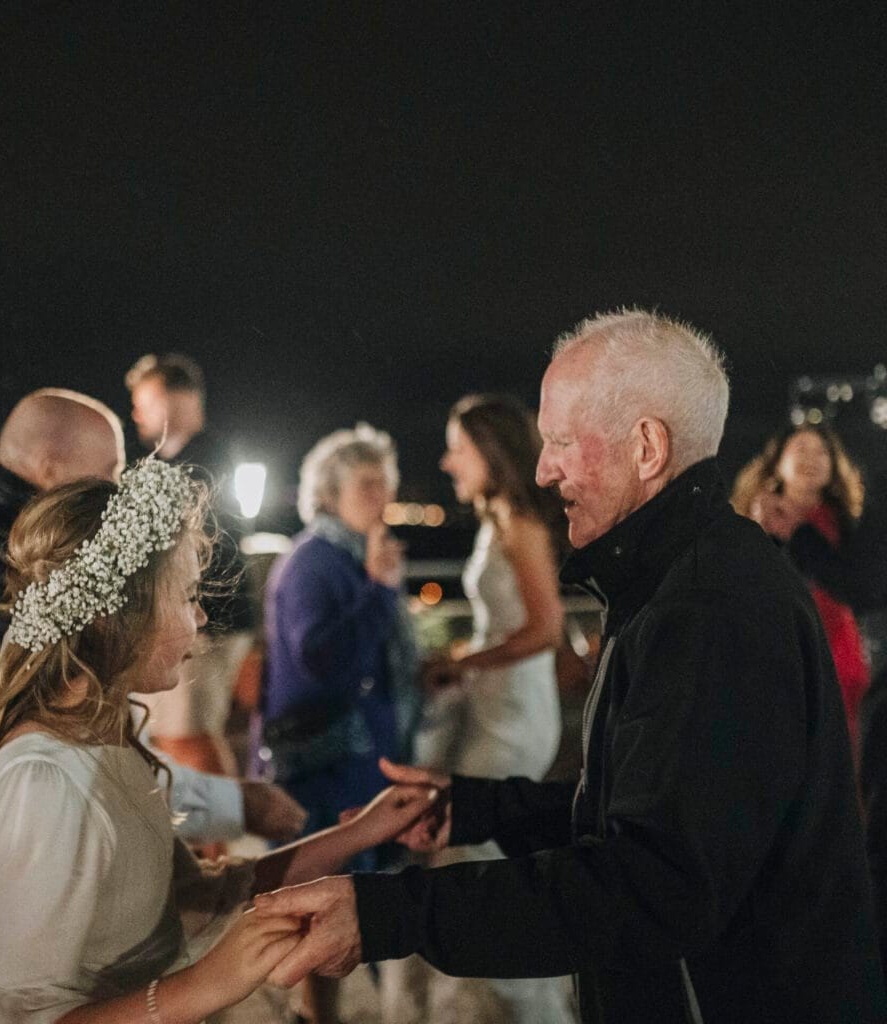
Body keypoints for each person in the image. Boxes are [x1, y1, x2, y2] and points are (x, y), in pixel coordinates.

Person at [256, 310, 885, 1024]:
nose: (543, 468)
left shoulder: (709, 609)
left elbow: (654, 885)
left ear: (647, 447)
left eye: (560, 441)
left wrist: (386, 914)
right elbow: (664, 814)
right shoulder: (681, 578)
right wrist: (477, 808)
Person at [0, 456, 437, 1023]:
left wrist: (367, 827)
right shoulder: (41, 780)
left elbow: (201, 897)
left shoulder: (113, 739)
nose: (199, 616)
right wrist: (205, 985)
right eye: (187, 594)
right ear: (117, 614)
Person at [0, 389, 302, 1024]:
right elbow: (75, 772)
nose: (117, 496)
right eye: (108, 476)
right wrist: (238, 805)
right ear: (47, 470)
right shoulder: (49, 573)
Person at [387, 394, 572, 1024]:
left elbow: (545, 629)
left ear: (490, 454)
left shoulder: (520, 525)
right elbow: (506, 623)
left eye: (458, 448)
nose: (446, 461)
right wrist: (462, 657)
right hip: (494, 705)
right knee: (468, 843)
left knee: (474, 848)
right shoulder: (499, 520)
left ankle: (541, 1000)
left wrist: (462, 663)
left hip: (516, 714)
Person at [257, 423, 421, 1024]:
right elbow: (319, 661)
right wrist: (379, 591)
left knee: (354, 894)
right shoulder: (313, 563)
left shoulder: (354, 556)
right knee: (318, 901)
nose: (382, 496)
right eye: (368, 483)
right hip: (322, 766)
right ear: (329, 491)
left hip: (356, 758)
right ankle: (313, 1015)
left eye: (387, 483)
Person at [126, 353, 254, 786]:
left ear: (170, 399)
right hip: (205, 620)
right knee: (173, 735)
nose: (135, 413)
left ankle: (227, 833)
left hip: (208, 623)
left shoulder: (200, 463)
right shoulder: (205, 457)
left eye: (142, 401)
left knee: (187, 736)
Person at [732, 424, 870, 762]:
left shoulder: (852, 526)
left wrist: (800, 534)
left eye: (821, 452)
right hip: (774, 666)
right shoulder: (748, 525)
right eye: (800, 449)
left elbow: (858, 589)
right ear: (776, 462)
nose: (812, 458)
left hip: (841, 661)